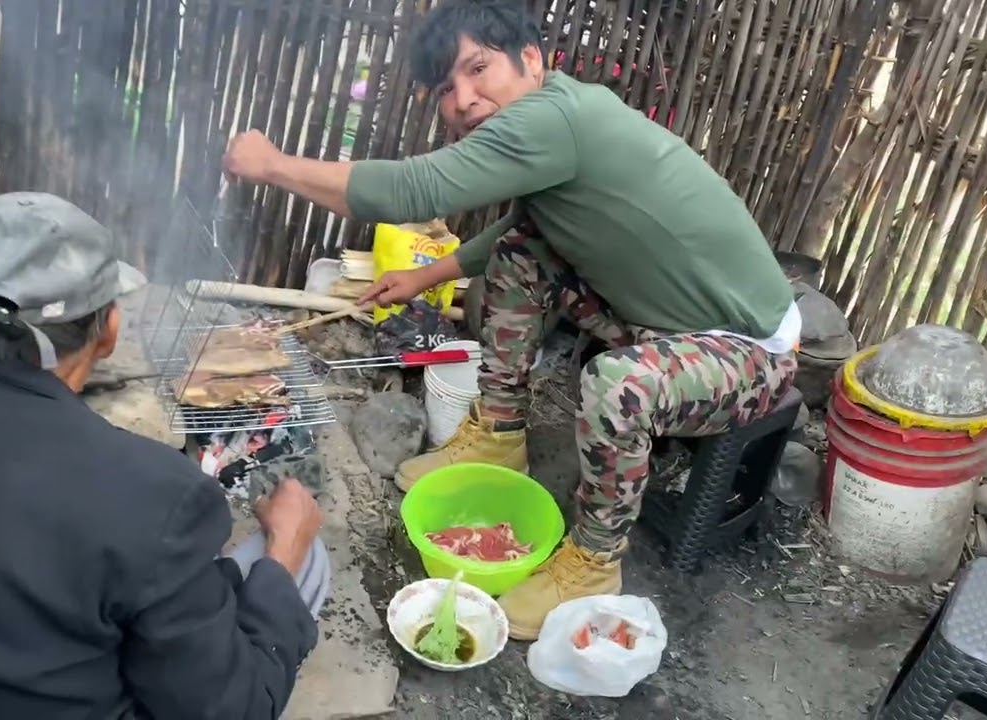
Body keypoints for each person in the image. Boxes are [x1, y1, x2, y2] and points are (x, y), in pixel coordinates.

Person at [223, 0, 799, 640]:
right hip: (664, 320)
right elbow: (522, 227)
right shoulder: (560, 115)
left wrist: (274, 165)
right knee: (521, 251)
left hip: (746, 348)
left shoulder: (551, 119)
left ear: (531, 59)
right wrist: (426, 275)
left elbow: (413, 190)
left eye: (478, 69)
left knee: (616, 386)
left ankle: (594, 563)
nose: (464, 98)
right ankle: (500, 435)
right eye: (447, 88)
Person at [0, 192, 328, 719]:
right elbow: (232, 712)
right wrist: (285, 550)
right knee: (300, 561)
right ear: (110, 332)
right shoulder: (157, 498)